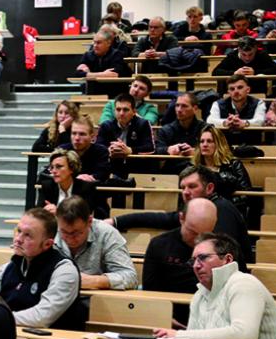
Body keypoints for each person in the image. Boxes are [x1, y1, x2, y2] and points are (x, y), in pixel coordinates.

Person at [153, 233, 276, 339]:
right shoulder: (200, 294)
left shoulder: (244, 284)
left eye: (203, 257)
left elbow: (244, 336)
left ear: (227, 259)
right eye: (193, 260)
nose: (196, 266)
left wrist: (178, 335)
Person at [108, 165, 249, 258]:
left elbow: (222, 254)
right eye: (183, 188)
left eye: (192, 186)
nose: (186, 192)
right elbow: (160, 219)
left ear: (210, 188)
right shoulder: (194, 211)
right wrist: (115, 221)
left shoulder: (223, 210)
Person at [0, 208, 84, 329]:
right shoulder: (5, 269)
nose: (18, 239)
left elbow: (42, 317)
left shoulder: (64, 271)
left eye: (28, 235)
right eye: (18, 231)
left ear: (47, 244)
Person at [54, 196, 137, 290]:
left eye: (76, 233)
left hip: (95, 301)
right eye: (64, 232)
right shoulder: (50, 231)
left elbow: (130, 277)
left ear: (89, 221)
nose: (70, 239)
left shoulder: (107, 234)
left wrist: (93, 281)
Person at [141, 197, 219, 296]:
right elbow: (149, 291)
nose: (198, 240)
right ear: (181, 218)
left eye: (205, 234)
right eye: (193, 232)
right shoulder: (159, 245)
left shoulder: (223, 247)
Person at [192, 125, 252, 215]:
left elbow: (247, 195)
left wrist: (225, 204)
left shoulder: (233, 165)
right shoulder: (194, 167)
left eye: (209, 141)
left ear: (218, 144)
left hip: (227, 212)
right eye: (202, 141)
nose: (204, 144)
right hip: (200, 211)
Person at [98, 93, 154, 179]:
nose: (121, 113)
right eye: (118, 109)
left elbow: (150, 148)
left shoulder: (143, 124)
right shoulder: (106, 126)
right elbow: (98, 147)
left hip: (138, 168)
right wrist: (109, 150)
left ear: (134, 112)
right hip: (112, 169)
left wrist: (130, 150)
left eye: (125, 110)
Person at [39, 149, 103, 218]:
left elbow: (85, 215)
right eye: (52, 167)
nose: (54, 171)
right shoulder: (47, 186)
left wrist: (59, 212)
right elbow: (38, 212)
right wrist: (44, 212)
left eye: (59, 166)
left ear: (72, 168)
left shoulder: (86, 187)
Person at [207, 74, 266, 147]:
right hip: (224, 147)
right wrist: (225, 122)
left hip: (252, 146)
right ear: (228, 92)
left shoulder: (259, 103)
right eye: (232, 89)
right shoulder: (217, 104)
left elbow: (261, 120)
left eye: (240, 87)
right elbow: (210, 121)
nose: (236, 91)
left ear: (248, 89)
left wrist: (244, 123)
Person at [75, 30, 131, 97]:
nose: (95, 46)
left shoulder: (117, 54)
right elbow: (78, 74)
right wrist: (104, 74)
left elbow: (114, 74)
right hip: (94, 92)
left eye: (98, 43)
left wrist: (88, 74)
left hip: (114, 92)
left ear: (108, 43)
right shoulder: (88, 55)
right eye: (94, 43)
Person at [59, 116, 111, 182]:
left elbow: (103, 174)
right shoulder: (62, 150)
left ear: (92, 137)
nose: (77, 138)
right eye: (74, 133)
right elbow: (48, 173)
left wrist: (90, 178)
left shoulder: (101, 151)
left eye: (82, 134)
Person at [155, 93, 208, 157]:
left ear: (195, 109)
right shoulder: (165, 130)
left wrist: (196, 152)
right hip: (174, 166)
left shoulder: (206, 128)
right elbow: (156, 150)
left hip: (199, 166)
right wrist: (167, 149)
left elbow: (217, 149)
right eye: (177, 105)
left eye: (184, 106)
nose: (179, 110)